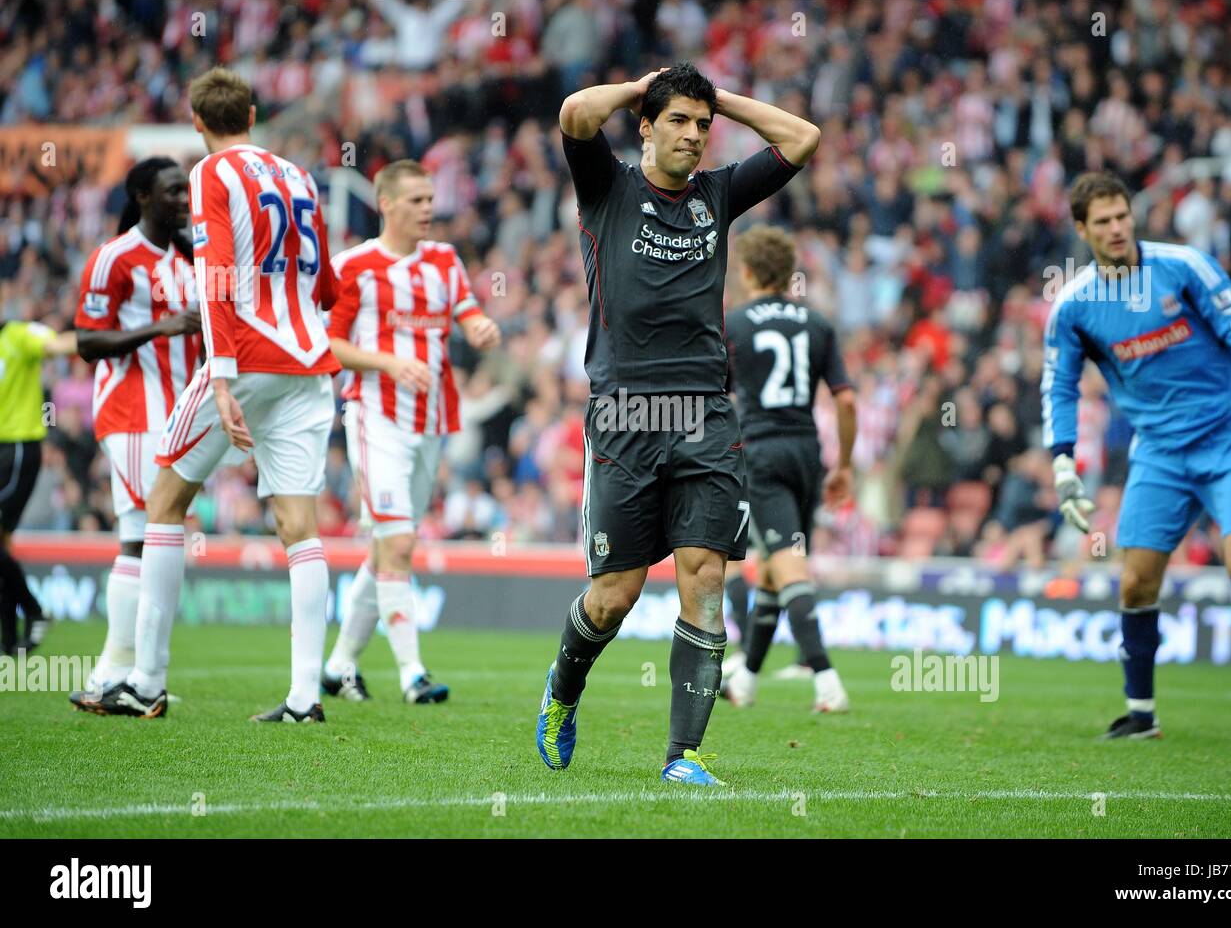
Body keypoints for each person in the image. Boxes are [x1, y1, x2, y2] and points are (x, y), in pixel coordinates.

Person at [535, 62, 819, 785]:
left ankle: (682, 758)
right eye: (680, 121)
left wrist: (720, 98)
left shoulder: (718, 194)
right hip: (625, 414)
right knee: (615, 595)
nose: (695, 135)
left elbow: (804, 136)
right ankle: (563, 691)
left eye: (703, 124)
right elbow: (573, 113)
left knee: (705, 574)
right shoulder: (608, 187)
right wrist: (640, 87)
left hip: (704, 415)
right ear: (647, 127)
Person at [82, 67, 341, 722]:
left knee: (164, 500)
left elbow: (219, 277)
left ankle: (145, 679)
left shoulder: (211, 175)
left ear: (197, 124)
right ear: (253, 113)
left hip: (248, 353)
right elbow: (330, 283)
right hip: (311, 361)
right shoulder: (300, 177)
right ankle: (305, 696)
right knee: (300, 528)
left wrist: (222, 377)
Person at [1043, 171, 1231, 744]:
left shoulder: (1184, 267)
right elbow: (1058, 385)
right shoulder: (1075, 305)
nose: (1116, 228)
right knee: (1134, 583)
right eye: (1102, 221)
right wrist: (1063, 461)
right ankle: (1141, 714)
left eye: (1122, 216)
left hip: (1228, 437)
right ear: (1082, 229)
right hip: (1158, 451)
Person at [321, 159, 500, 704]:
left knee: (387, 549)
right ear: (387, 204)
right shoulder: (352, 266)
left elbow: (467, 312)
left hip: (433, 422)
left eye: (431, 199)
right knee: (397, 542)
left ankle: (339, 666)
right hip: (376, 418)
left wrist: (480, 327)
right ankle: (412, 675)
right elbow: (328, 343)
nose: (429, 209)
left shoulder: (444, 260)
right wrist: (387, 363)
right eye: (418, 200)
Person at [67, 157, 202, 707]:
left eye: (186, 191)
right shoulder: (114, 258)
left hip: (179, 413)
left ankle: (129, 676)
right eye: (173, 192)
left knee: (151, 538)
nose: (184, 200)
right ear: (142, 196)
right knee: (141, 536)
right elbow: (85, 342)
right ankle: (120, 674)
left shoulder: (188, 258)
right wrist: (162, 326)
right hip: (132, 413)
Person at [719, 224, 857, 713]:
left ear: (749, 272)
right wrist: (843, 465)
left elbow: (712, 398)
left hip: (761, 453)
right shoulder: (817, 324)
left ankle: (826, 679)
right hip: (808, 455)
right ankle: (747, 681)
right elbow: (846, 402)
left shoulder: (733, 325)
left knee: (788, 567)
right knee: (776, 574)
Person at [0, 321, 77, 655]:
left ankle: (33, 609)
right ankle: (8, 641)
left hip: (18, 448)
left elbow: (58, 345)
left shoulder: (17, 335)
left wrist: (101, 336)